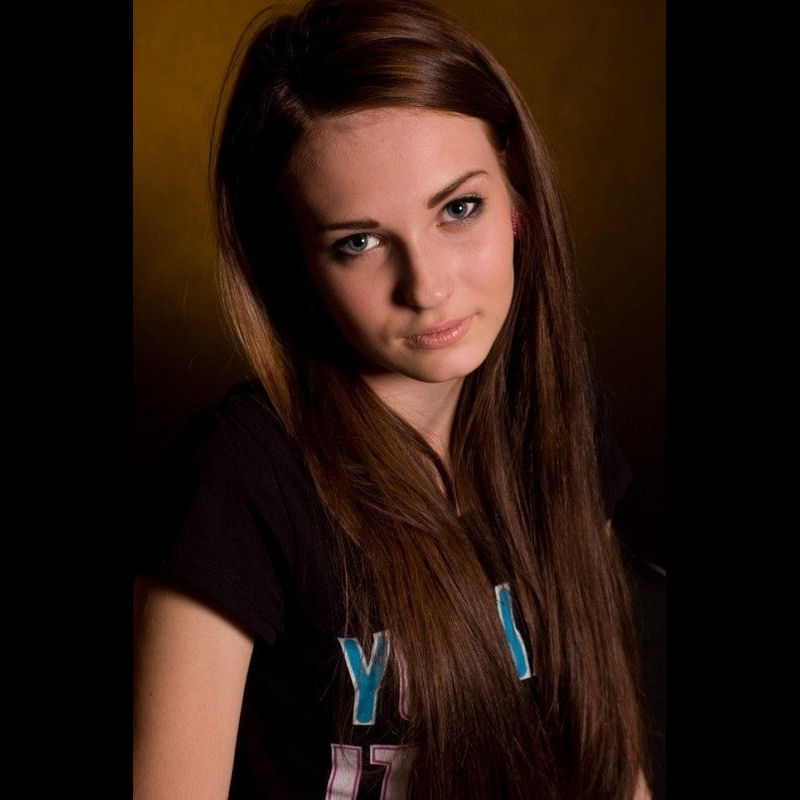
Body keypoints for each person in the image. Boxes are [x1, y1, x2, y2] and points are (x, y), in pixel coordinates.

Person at [132, 1, 663, 798]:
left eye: (458, 209)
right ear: (295, 263)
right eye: (359, 242)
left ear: (518, 195)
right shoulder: (242, 479)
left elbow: (613, 766)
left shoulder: (556, 419)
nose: (428, 286)